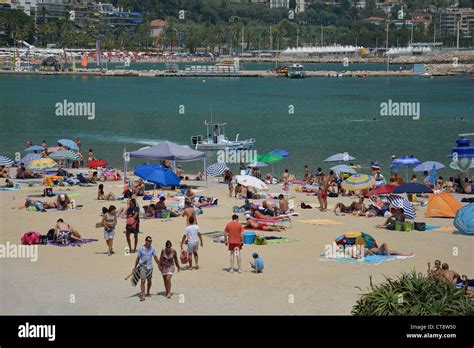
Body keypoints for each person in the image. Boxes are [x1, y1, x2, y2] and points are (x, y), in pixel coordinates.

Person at [132, 236, 161, 301]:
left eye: (151, 241)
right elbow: (137, 259)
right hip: (142, 266)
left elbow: (155, 257)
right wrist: (134, 267)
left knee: (149, 280)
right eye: (148, 241)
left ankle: (148, 292)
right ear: (145, 241)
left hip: (150, 267)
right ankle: (143, 295)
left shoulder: (152, 248)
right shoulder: (141, 249)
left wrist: (159, 265)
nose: (150, 242)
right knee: (143, 280)